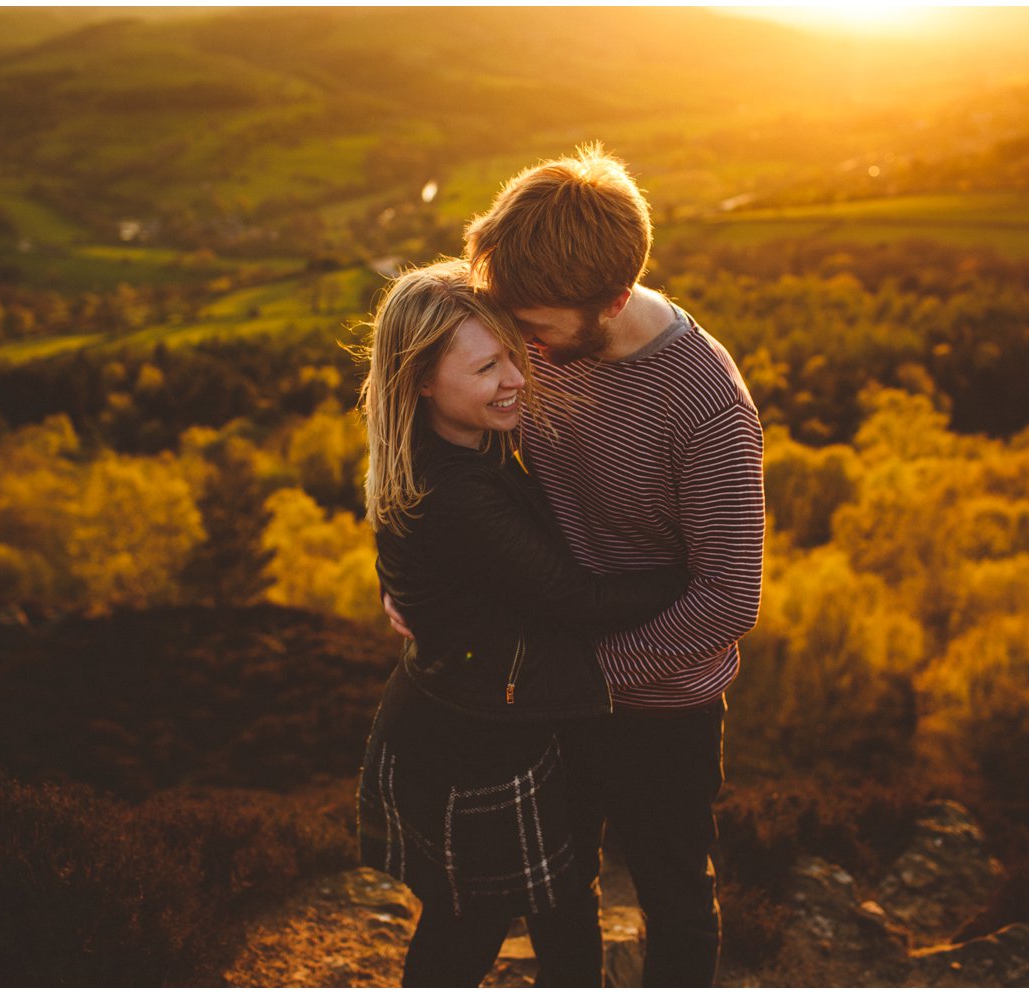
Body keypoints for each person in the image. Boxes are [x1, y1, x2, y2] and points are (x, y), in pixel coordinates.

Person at [387, 145, 766, 986]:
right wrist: (408, 574)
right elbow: (446, 443)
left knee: (673, 894)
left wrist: (584, 671)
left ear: (615, 300)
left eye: (535, 333)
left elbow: (728, 600)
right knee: (559, 886)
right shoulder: (537, 334)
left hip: (660, 705)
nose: (521, 356)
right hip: (550, 685)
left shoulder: (706, 409)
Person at [353, 259, 689, 987]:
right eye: (486, 367)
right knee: (470, 927)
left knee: (562, 905)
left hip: (480, 717)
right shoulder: (462, 493)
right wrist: (693, 569)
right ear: (421, 381)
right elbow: (577, 602)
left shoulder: (444, 447)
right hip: (476, 745)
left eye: (514, 352)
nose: (514, 378)